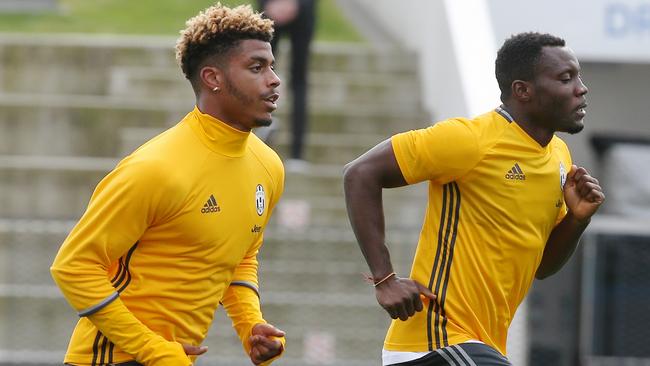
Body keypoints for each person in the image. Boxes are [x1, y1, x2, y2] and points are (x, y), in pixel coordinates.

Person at [343, 32, 605, 366]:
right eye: (565, 78)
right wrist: (385, 279)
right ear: (522, 90)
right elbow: (360, 173)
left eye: (578, 76)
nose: (581, 88)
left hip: (481, 348)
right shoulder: (471, 140)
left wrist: (577, 219)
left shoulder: (560, 157)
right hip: (434, 342)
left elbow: (543, 267)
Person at [50, 4, 286, 365]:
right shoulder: (155, 168)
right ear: (213, 78)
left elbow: (240, 257)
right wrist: (152, 350)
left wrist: (249, 323)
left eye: (271, 66)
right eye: (257, 68)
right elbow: (73, 266)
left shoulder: (268, 166)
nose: (274, 79)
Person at [257, 0, 316, 171]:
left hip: (300, 7)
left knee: (297, 78)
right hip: (274, 7)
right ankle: (262, 127)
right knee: (260, 71)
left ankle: (297, 152)